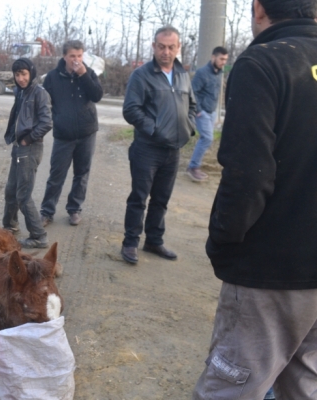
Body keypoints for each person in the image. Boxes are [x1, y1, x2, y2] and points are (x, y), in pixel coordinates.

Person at [193, 1, 317, 398]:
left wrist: (224, 243)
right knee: (305, 383)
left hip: (271, 271)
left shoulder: (262, 63)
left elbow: (249, 175)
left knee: (232, 386)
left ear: (258, 9)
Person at [120, 26, 196, 265]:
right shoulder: (141, 75)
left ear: (178, 47)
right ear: (154, 47)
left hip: (172, 151)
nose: (166, 51)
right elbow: (130, 109)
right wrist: (155, 130)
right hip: (147, 149)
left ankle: (154, 240)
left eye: (171, 47)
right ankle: (130, 243)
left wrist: (189, 127)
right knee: (139, 198)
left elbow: (192, 106)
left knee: (161, 199)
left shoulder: (183, 74)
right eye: (161, 46)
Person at [40, 40, 103, 227]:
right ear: (64, 57)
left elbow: (97, 95)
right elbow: (44, 104)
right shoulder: (52, 77)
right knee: (56, 174)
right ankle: (47, 211)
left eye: (79, 56)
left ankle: (74, 209)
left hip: (87, 132)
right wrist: (55, 120)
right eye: (72, 56)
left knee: (82, 174)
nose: (76, 60)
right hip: (63, 135)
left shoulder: (89, 73)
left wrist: (83, 75)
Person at [2, 58, 53, 248]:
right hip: (18, 147)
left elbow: (47, 122)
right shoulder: (21, 92)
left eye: (24, 74)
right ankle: (10, 226)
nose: (21, 78)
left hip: (29, 148)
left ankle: (39, 236)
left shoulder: (40, 93)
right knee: (10, 190)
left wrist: (27, 139)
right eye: (17, 75)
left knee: (23, 195)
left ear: (31, 73)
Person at [186, 46, 229, 182]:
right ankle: (193, 167)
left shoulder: (219, 73)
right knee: (207, 138)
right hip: (202, 112)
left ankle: (193, 165)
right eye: (221, 59)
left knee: (205, 139)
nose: (223, 62)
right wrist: (198, 111)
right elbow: (192, 92)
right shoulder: (202, 73)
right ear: (213, 57)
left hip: (212, 112)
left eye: (225, 60)